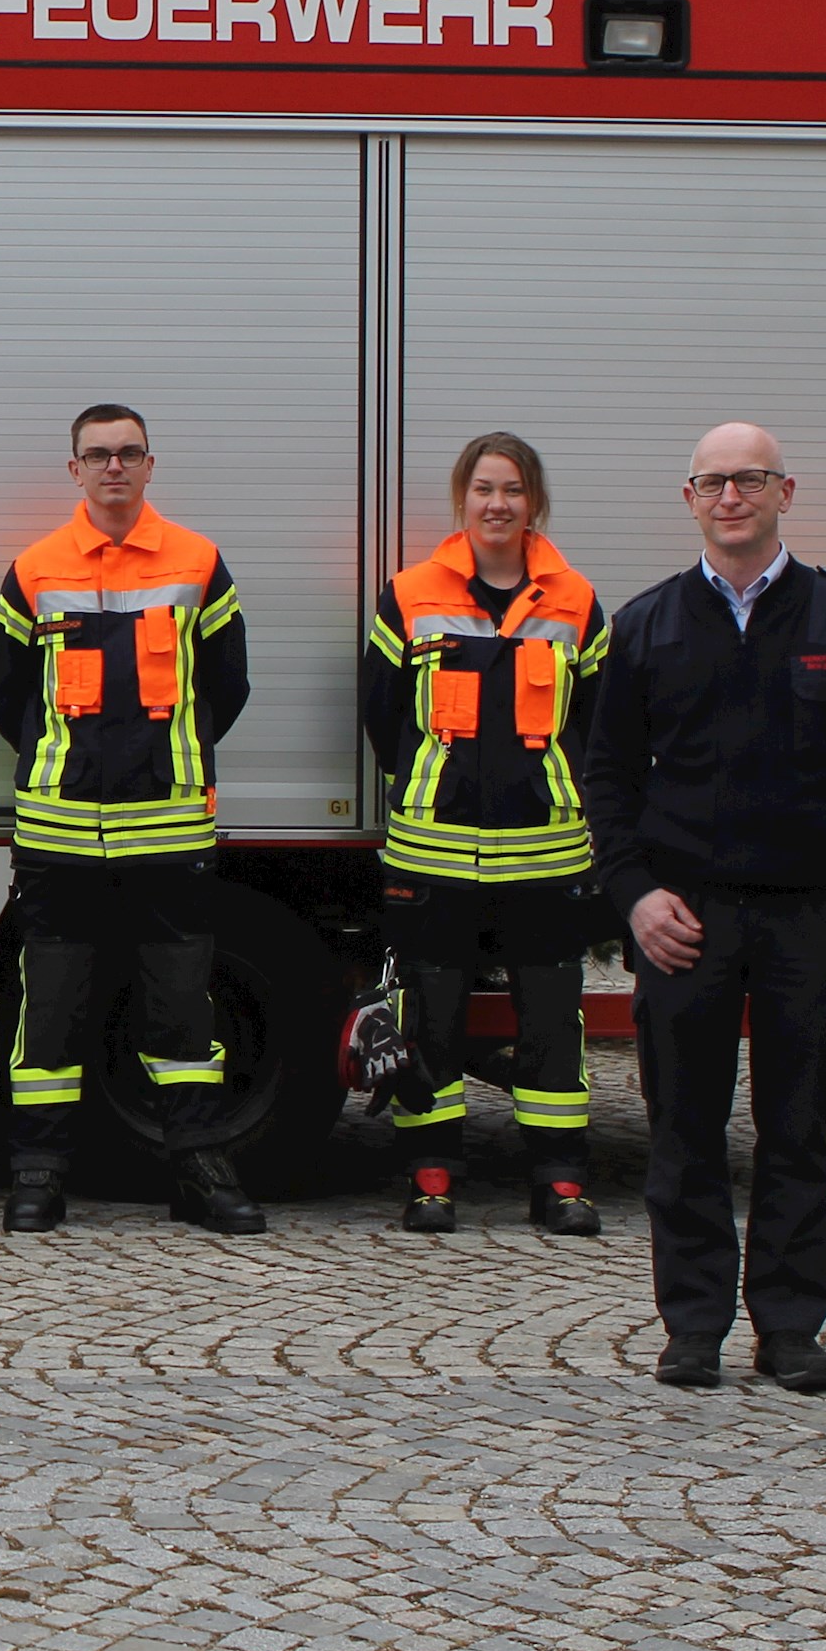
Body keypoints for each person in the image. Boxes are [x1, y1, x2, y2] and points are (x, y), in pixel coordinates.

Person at [584, 423, 826, 1396]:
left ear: (784, 491)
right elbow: (605, 779)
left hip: (811, 917)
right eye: (712, 481)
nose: (730, 496)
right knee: (683, 1131)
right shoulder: (646, 626)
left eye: (749, 479)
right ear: (689, 498)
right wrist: (635, 896)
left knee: (798, 1127)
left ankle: (789, 1329)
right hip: (685, 922)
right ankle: (692, 1328)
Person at [0, 403, 259, 1236]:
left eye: (127, 453)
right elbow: (7, 698)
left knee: (182, 1009)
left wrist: (168, 759)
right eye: (97, 454)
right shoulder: (34, 569)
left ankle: (202, 1171)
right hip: (59, 830)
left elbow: (229, 685)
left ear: (149, 465)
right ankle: (38, 1174)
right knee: (52, 1006)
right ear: (74, 469)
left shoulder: (197, 561)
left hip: (169, 828)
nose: (113, 467)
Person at [356, 434, 609, 1238]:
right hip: (431, 851)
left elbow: (598, 724)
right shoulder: (411, 594)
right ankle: (431, 1177)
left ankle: (560, 1179)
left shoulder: (575, 599)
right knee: (433, 1018)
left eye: (513, 490)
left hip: (547, 853)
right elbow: (382, 712)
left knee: (551, 1021)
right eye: (483, 489)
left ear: (534, 502)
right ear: (461, 501)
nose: (497, 504)